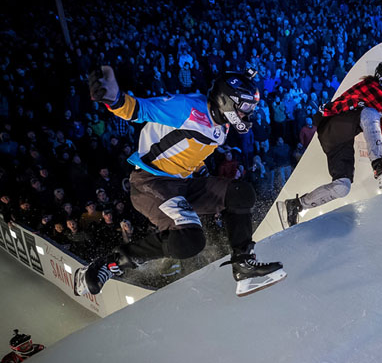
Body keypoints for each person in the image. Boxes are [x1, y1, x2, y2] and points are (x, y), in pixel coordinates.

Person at [73, 66, 285, 298]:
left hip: (182, 182)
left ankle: (243, 263)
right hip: (151, 182)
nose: (249, 114)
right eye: (245, 108)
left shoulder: (222, 127)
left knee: (240, 192)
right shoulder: (186, 107)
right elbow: (141, 110)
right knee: (190, 242)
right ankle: (109, 263)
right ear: (227, 101)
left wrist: (209, 185)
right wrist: (114, 99)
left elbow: (190, 154)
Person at [279, 58, 382, 227]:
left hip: (338, 141)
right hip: (332, 125)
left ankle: (296, 205)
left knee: (342, 187)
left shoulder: (379, 101)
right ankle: (379, 165)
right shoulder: (370, 87)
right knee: (369, 112)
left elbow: (379, 120)